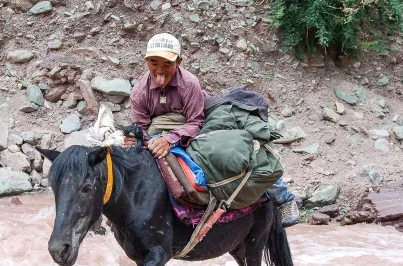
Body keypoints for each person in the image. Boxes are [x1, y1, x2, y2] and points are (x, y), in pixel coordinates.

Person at [124, 33, 300, 227]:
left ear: (179, 62)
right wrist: (138, 139)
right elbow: (141, 127)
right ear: (146, 61)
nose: (160, 70)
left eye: (167, 64)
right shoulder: (140, 92)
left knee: (232, 152)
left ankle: (284, 197)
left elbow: (195, 121)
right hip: (163, 127)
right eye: (154, 62)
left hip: (204, 117)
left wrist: (169, 140)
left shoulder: (189, 84)